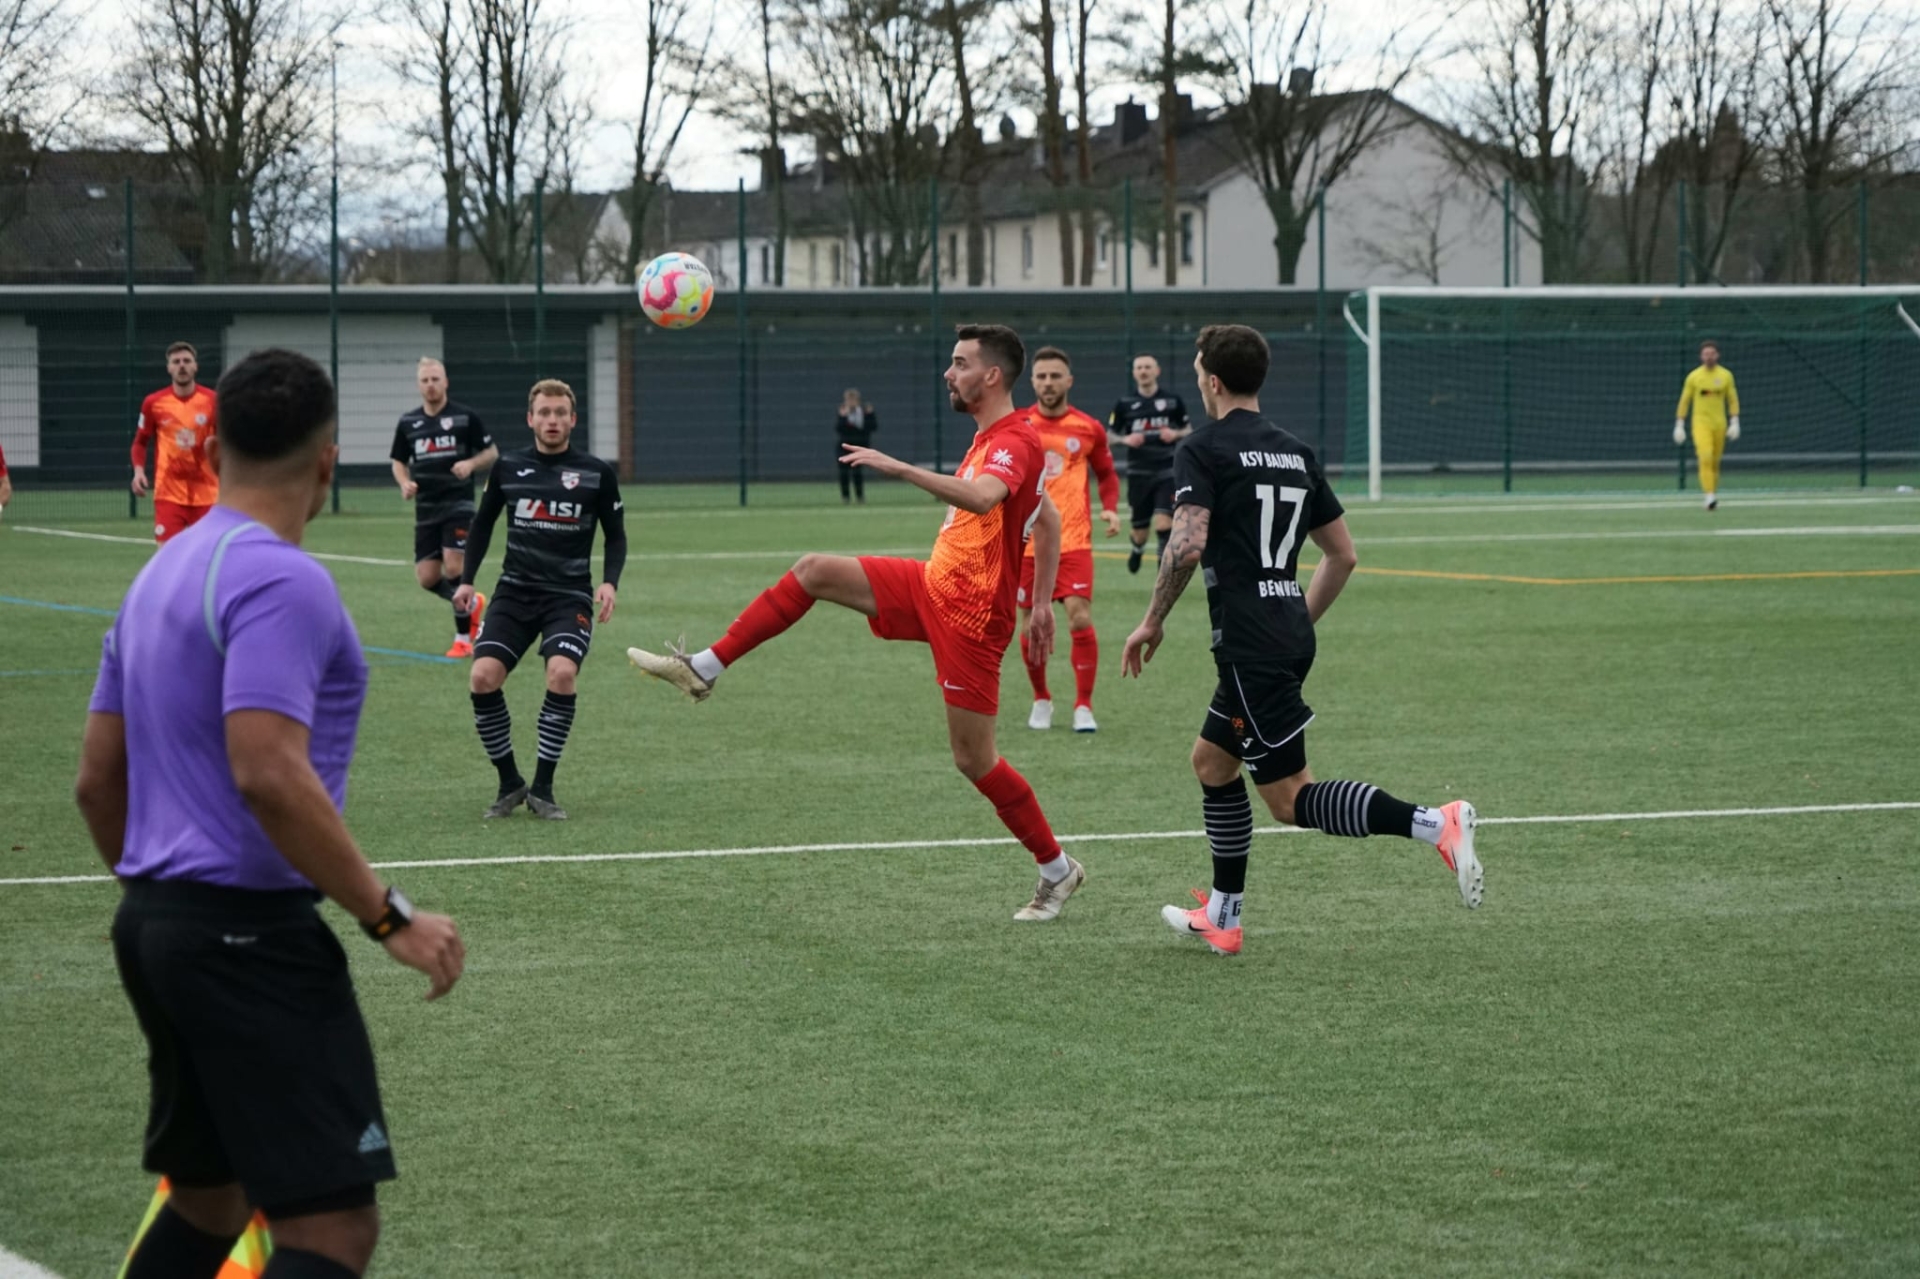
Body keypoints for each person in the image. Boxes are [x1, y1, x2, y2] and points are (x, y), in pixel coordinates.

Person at [75, 347, 465, 1279]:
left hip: (157, 925)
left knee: (210, 1201)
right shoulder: (284, 581)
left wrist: (160, 899)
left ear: (213, 449)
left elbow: (95, 782)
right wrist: (389, 916)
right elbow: (268, 772)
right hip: (248, 936)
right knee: (331, 1230)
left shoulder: (158, 574)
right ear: (327, 459)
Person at [629, 324, 1088, 922]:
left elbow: (981, 498)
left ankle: (1056, 869)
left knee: (974, 760)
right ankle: (703, 668)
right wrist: (1043, 602)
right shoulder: (991, 437)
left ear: (992, 375)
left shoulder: (1015, 441)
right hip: (932, 585)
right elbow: (1045, 519)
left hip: (973, 620)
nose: (948, 373)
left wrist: (900, 468)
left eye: (959, 363)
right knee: (814, 570)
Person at [1121, 325, 1483, 958]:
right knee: (1212, 763)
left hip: (1250, 645)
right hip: (1282, 634)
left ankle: (1436, 823)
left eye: (1200, 372)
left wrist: (1152, 619)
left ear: (1211, 381)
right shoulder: (1296, 452)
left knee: (1290, 800)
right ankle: (1223, 916)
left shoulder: (1202, 448)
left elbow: (1187, 543)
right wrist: (1294, 621)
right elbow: (1342, 555)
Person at [453, 378, 625, 821]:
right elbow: (482, 525)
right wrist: (467, 581)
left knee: (562, 673)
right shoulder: (508, 468)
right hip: (515, 593)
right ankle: (510, 782)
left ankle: (543, 788)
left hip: (568, 597)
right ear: (530, 419)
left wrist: (609, 583)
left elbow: (616, 536)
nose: (552, 420)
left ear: (573, 419)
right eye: (544, 412)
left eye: (560, 413)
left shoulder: (597, 473)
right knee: (482, 677)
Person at [1018, 345, 1119, 733]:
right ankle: (1041, 698)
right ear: (1032, 381)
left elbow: (1106, 473)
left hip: (1073, 539)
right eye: (1041, 376)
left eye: (1055, 376)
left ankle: (1083, 706)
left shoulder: (1088, 427)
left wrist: (1110, 507)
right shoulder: (1018, 424)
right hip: (1027, 541)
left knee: (1079, 616)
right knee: (1030, 625)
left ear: (1069, 381)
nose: (1048, 383)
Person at [390, 357, 499, 657]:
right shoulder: (408, 423)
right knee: (427, 578)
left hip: (458, 504)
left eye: (435, 379)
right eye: (425, 380)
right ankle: (472, 603)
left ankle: (463, 638)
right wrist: (404, 482)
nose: (430, 385)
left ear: (446, 382)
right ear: (418, 385)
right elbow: (398, 461)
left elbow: (491, 452)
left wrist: (470, 464)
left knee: (453, 566)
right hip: (426, 509)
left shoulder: (465, 417)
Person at [1108, 354, 1190, 574]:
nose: (1143, 371)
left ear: (1157, 371)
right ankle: (1137, 548)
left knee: (1164, 523)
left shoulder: (1173, 401)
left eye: (1147, 367)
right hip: (1138, 472)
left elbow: (1188, 430)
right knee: (1140, 531)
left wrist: (1174, 434)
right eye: (1139, 368)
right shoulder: (1124, 404)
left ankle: (1163, 573)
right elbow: (1109, 437)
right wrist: (1126, 439)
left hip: (1167, 469)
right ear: (1134, 373)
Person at [132, 340, 220, 544]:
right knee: (167, 555)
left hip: (207, 493)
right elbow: (140, 442)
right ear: (169, 368)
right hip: (168, 494)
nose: (182, 366)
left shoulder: (213, 401)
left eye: (187, 361)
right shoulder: (154, 403)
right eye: (176, 361)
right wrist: (138, 471)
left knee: (207, 554)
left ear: (195, 366)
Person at [1674, 340, 1740, 511]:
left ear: (1717, 355)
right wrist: (1679, 423)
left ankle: (1712, 494)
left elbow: (1732, 399)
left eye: (1712, 353)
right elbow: (1685, 401)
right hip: (1701, 423)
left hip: (1719, 424)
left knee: (1715, 462)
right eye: (1706, 354)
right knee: (1705, 456)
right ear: (1701, 356)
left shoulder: (1725, 375)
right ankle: (1709, 495)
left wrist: (1735, 421)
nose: (1709, 357)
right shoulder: (1694, 377)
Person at [835, 388, 878, 504]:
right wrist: (843, 417)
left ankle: (860, 496)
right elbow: (839, 429)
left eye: (853, 399)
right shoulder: (843, 412)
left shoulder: (864, 412)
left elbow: (873, 427)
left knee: (857, 472)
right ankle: (845, 497)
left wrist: (870, 415)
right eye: (848, 400)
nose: (851, 402)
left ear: (858, 400)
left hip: (860, 446)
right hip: (844, 447)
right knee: (844, 473)